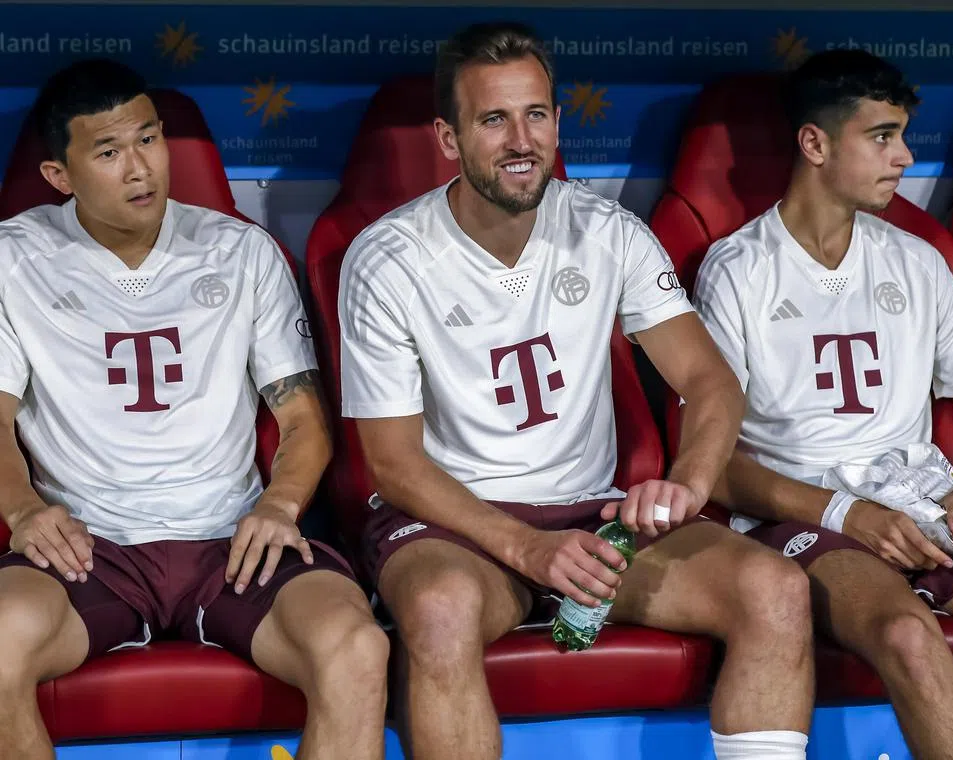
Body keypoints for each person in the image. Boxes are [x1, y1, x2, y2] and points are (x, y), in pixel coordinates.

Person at [339, 21, 815, 760]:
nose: (521, 139)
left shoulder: (609, 231)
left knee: (775, 590)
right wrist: (527, 549)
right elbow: (394, 464)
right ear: (447, 137)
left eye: (536, 114)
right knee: (438, 611)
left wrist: (688, 484)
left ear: (559, 121)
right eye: (493, 120)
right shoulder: (386, 258)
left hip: (591, 519)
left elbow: (709, 380)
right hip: (455, 526)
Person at [693, 49, 953, 760]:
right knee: (908, 639)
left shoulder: (915, 261)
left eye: (904, 135)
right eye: (883, 136)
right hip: (806, 511)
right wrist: (847, 515)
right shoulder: (739, 271)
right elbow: (716, 467)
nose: (905, 157)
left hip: (922, 500)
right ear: (815, 143)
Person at [0, 60, 388, 760]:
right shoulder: (14, 258)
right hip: (91, 549)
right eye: (109, 152)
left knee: (356, 646)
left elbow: (302, 418)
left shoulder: (240, 251)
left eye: (149, 139)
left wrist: (279, 505)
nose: (140, 168)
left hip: (229, 541)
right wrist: (25, 511)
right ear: (61, 175)